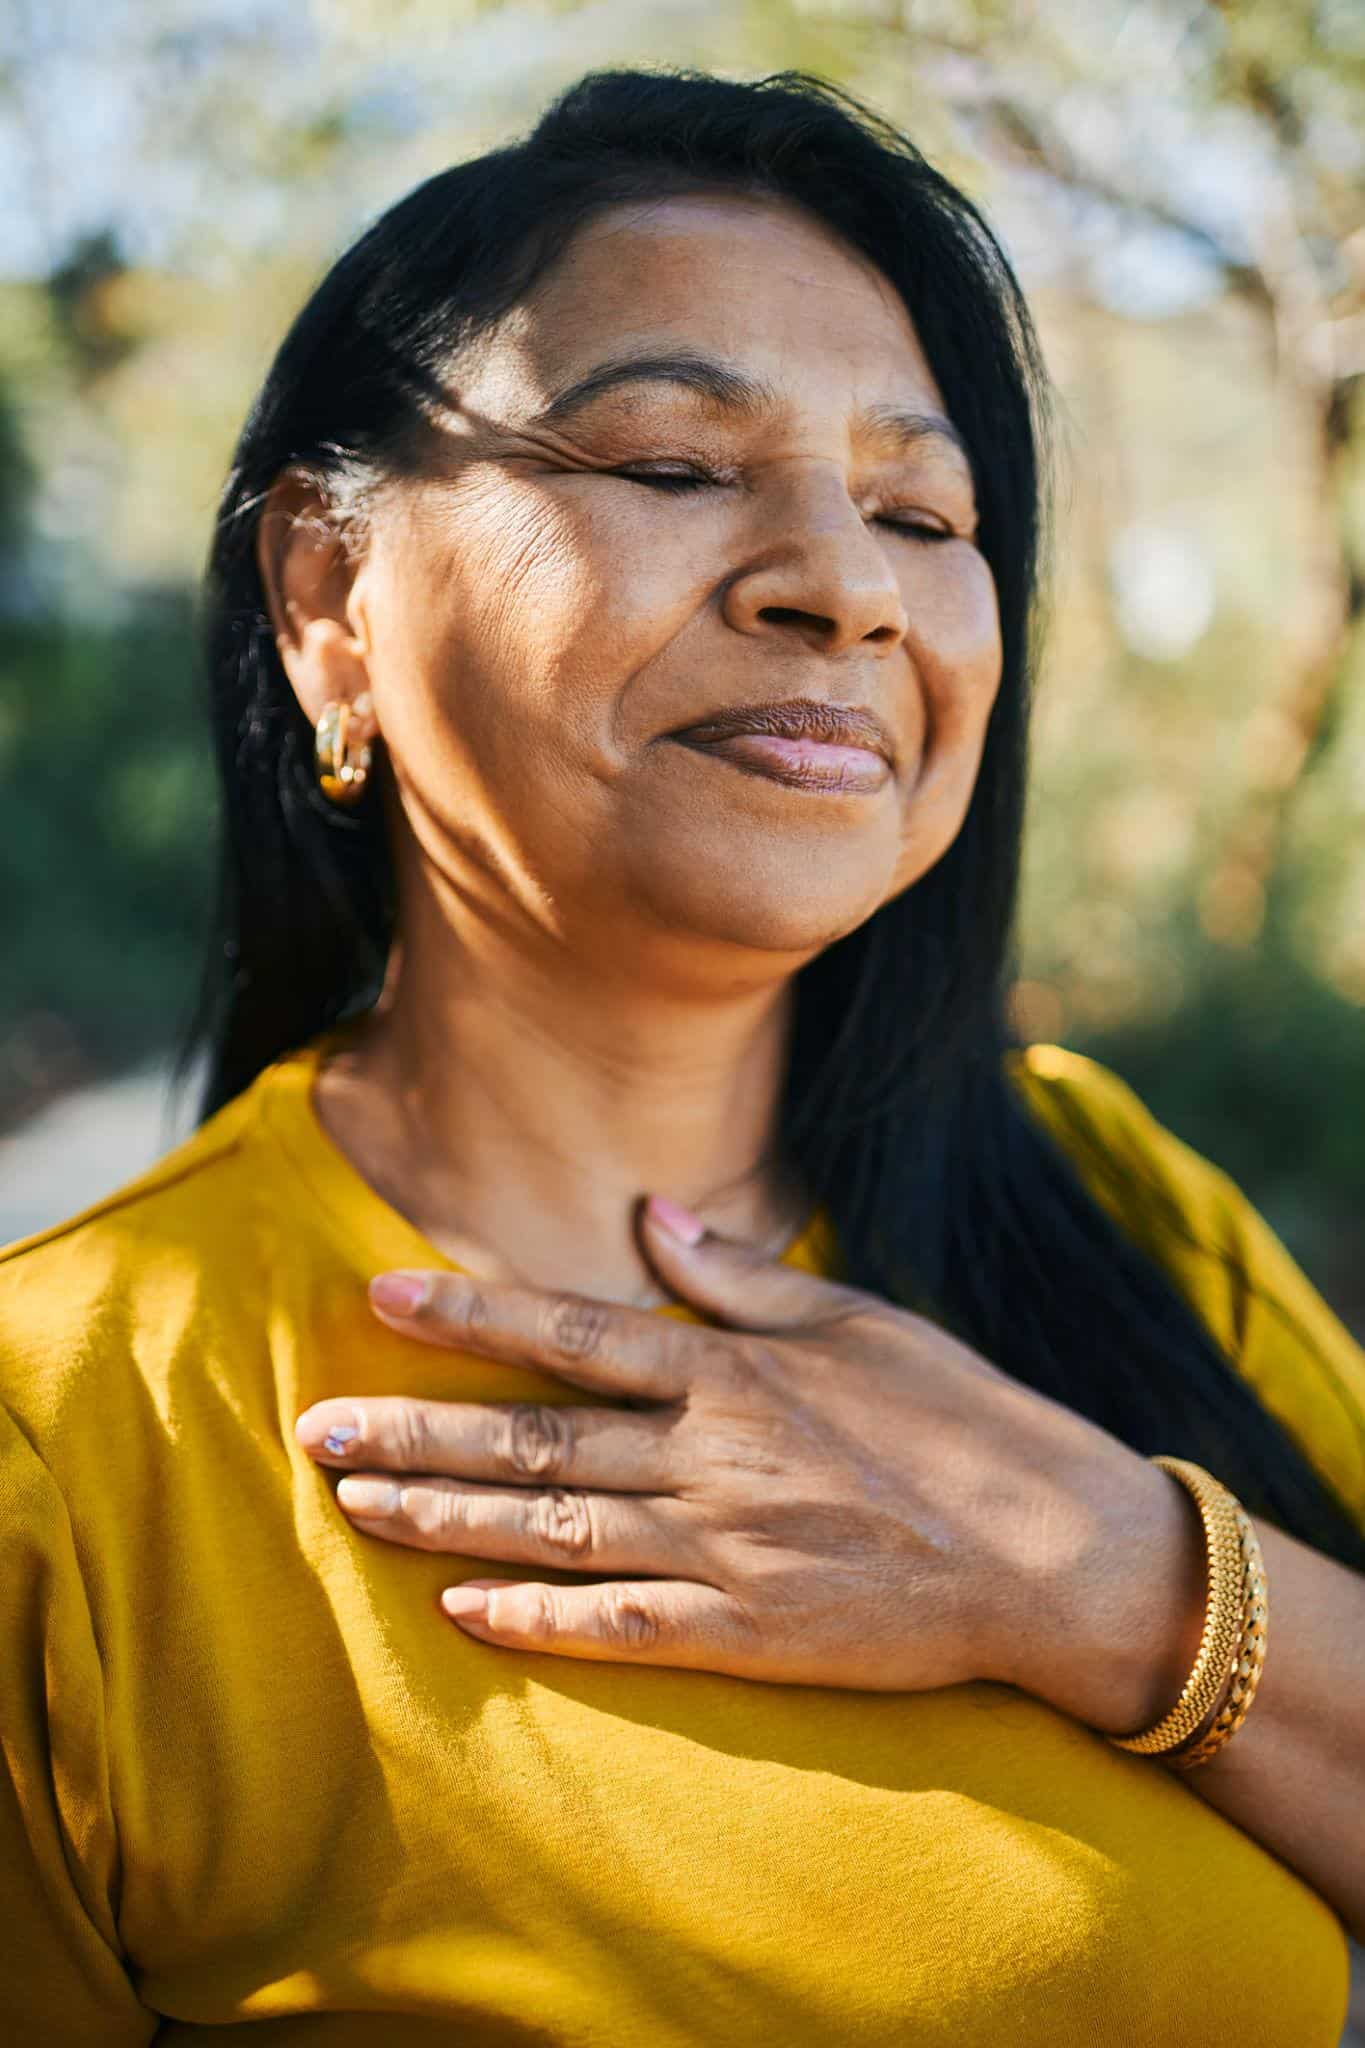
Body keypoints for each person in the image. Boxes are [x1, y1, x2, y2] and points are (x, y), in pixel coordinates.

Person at [2, 66, 1363, 2046]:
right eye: (668, 467)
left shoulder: (1099, 1193)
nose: (839, 581)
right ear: (328, 601)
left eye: (920, 509)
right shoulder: (67, 1440)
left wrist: (1096, 1571)